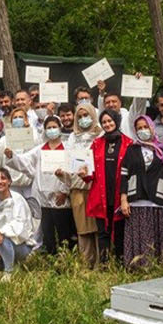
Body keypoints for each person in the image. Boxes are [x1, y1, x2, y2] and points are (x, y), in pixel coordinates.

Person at [6, 115, 75, 255]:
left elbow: (71, 172)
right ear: (44, 130)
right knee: (47, 230)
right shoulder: (39, 150)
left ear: (60, 128)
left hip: (60, 196)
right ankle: (50, 255)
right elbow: (24, 162)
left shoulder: (67, 148)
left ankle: (65, 257)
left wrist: (64, 191)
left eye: (54, 127)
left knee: (63, 230)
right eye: (48, 127)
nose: (52, 130)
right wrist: (11, 155)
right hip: (42, 196)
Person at [119, 115, 163, 268]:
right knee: (138, 235)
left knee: (157, 234)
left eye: (145, 127)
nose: (143, 131)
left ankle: (157, 266)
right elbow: (124, 175)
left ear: (152, 128)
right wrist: (123, 200)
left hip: (158, 200)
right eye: (139, 128)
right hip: (136, 200)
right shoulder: (132, 149)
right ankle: (137, 266)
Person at [86, 109, 131, 262]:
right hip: (101, 194)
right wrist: (83, 174)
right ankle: (105, 264)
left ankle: (120, 263)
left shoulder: (128, 143)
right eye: (104, 122)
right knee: (103, 232)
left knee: (120, 231)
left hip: (121, 194)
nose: (107, 124)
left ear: (117, 121)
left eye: (110, 121)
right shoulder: (96, 144)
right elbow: (90, 170)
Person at [67, 103, 101, 266]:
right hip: (78, 188)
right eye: (79, 117)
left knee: (98, 228)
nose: (83, 120)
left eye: (86, 115)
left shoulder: (100, 135)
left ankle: (101, 263)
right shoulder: (72, 138)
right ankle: (87, 263)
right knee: (83, 230)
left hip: (96, 188)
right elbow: (68, 162)